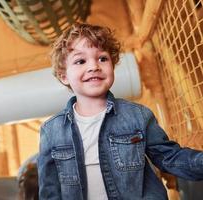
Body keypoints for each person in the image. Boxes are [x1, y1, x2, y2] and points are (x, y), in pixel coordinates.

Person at [37, 23, 203, 200]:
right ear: (64, 76)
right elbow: (50, 190)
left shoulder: (138, 116)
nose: (94, 66)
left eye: (102, 58)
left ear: (113, 65)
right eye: (80, 61)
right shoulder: (51, 131)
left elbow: (169, 157)